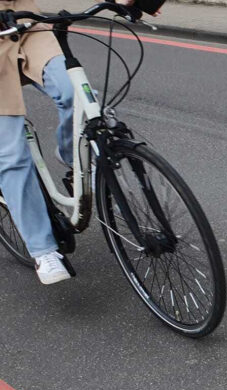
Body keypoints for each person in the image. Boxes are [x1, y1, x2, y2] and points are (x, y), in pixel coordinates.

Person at [0, 0, 132, 284]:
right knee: (11, 153)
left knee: (79, 97)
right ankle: (43, 249)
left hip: (25, 26)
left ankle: (73, 157)